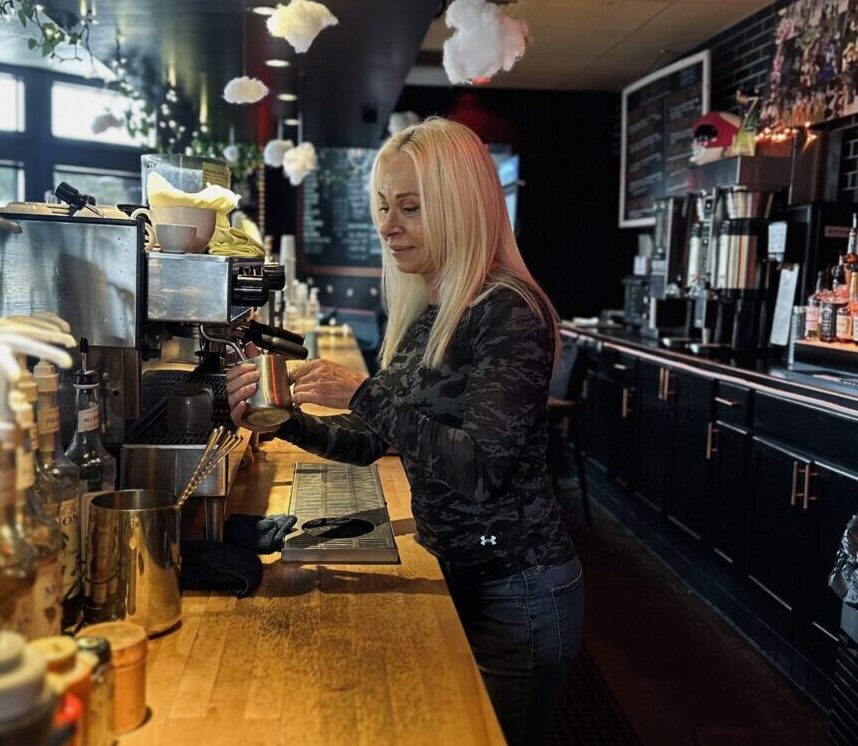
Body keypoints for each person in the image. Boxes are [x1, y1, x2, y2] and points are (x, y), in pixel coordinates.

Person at [226, 117, 584, 745]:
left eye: (411, 208)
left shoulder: (508, 313)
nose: (388, 226)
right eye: (385, 206)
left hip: (518, 590)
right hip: (460, 570)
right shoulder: (432, 308)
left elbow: (479, 468)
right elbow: (371, 442)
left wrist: (359, 390)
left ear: (460, 206)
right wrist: (279, 416)